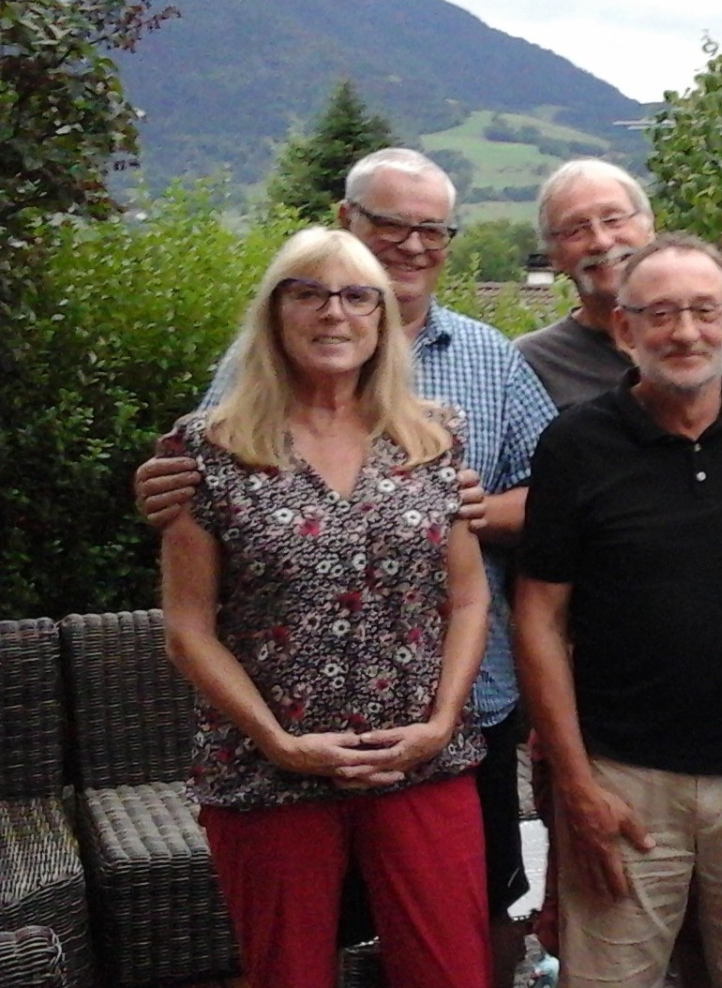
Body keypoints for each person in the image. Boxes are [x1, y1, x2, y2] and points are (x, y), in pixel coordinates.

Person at [136, 147, 556, 987]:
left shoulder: (431, 438)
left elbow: (469, 598)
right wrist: (279, 742)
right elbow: (188, 626)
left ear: (378, 319)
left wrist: (443, 725)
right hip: (268, 770)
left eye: (356, 297)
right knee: (287, 970)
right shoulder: (209, 448)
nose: (335, 312)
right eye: (310, 293)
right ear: (276, 311)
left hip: (420, 758)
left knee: (450, 968)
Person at [514, 234, 722, 988]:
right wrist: (577, 785)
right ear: (624, 329)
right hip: (625, 781)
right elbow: (539, 620)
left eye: (705, 311)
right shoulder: (575, 445)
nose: (686, 332)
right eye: (661, 313)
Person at [515, 159, 659, 410]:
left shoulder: (708, 333)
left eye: (613, 219)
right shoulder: (530, 364)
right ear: (553, 256)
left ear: (649, 227)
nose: (601, 241)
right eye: (576, 230)